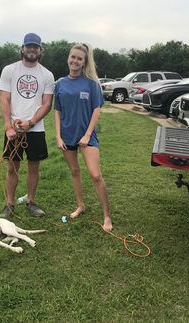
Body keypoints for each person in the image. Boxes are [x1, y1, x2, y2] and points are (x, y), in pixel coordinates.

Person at [54, 43, 113, 232]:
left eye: (80, 58)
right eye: (73, 57)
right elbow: (57, 111)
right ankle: (80, 205)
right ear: (68, 58)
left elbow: (97, 109)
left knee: (95, 175)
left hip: (87, 137)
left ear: (84, 62)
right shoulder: (60, 84)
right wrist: (58, 136)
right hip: (67, 136)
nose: (75, 61)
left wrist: (87, 135)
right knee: (75, 172)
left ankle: (107, 216)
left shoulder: (91, 84)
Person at [0, 33, 55, 218]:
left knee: (34, 167)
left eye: (35, 47)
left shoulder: (47, 74)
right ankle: (9, 204)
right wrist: (8, 127)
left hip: (36, 129)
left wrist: (30, 123)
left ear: (40, 50)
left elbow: (47, 104)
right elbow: (5, 98)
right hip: (13, 128)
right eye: (28, 46)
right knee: (12, 168)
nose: (32, 50)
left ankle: (30, 202)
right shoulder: (9, 70)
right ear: (22, 48)